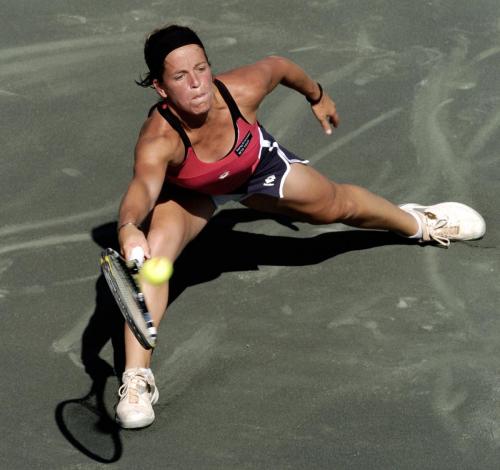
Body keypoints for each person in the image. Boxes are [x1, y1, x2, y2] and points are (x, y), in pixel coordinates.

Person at [114, 24, 485, 428]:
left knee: (335, 206)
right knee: (156, 258)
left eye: (201, 68)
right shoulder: (158, 139)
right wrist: (130, 226)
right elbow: (143, 190)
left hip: (254, 169)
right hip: (192, 193)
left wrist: (318, 94)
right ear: (161, 88)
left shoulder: (242, 90)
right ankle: (136, 379)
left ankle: (418, 221)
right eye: (181, 77)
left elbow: (280, 66)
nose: (198, 84)